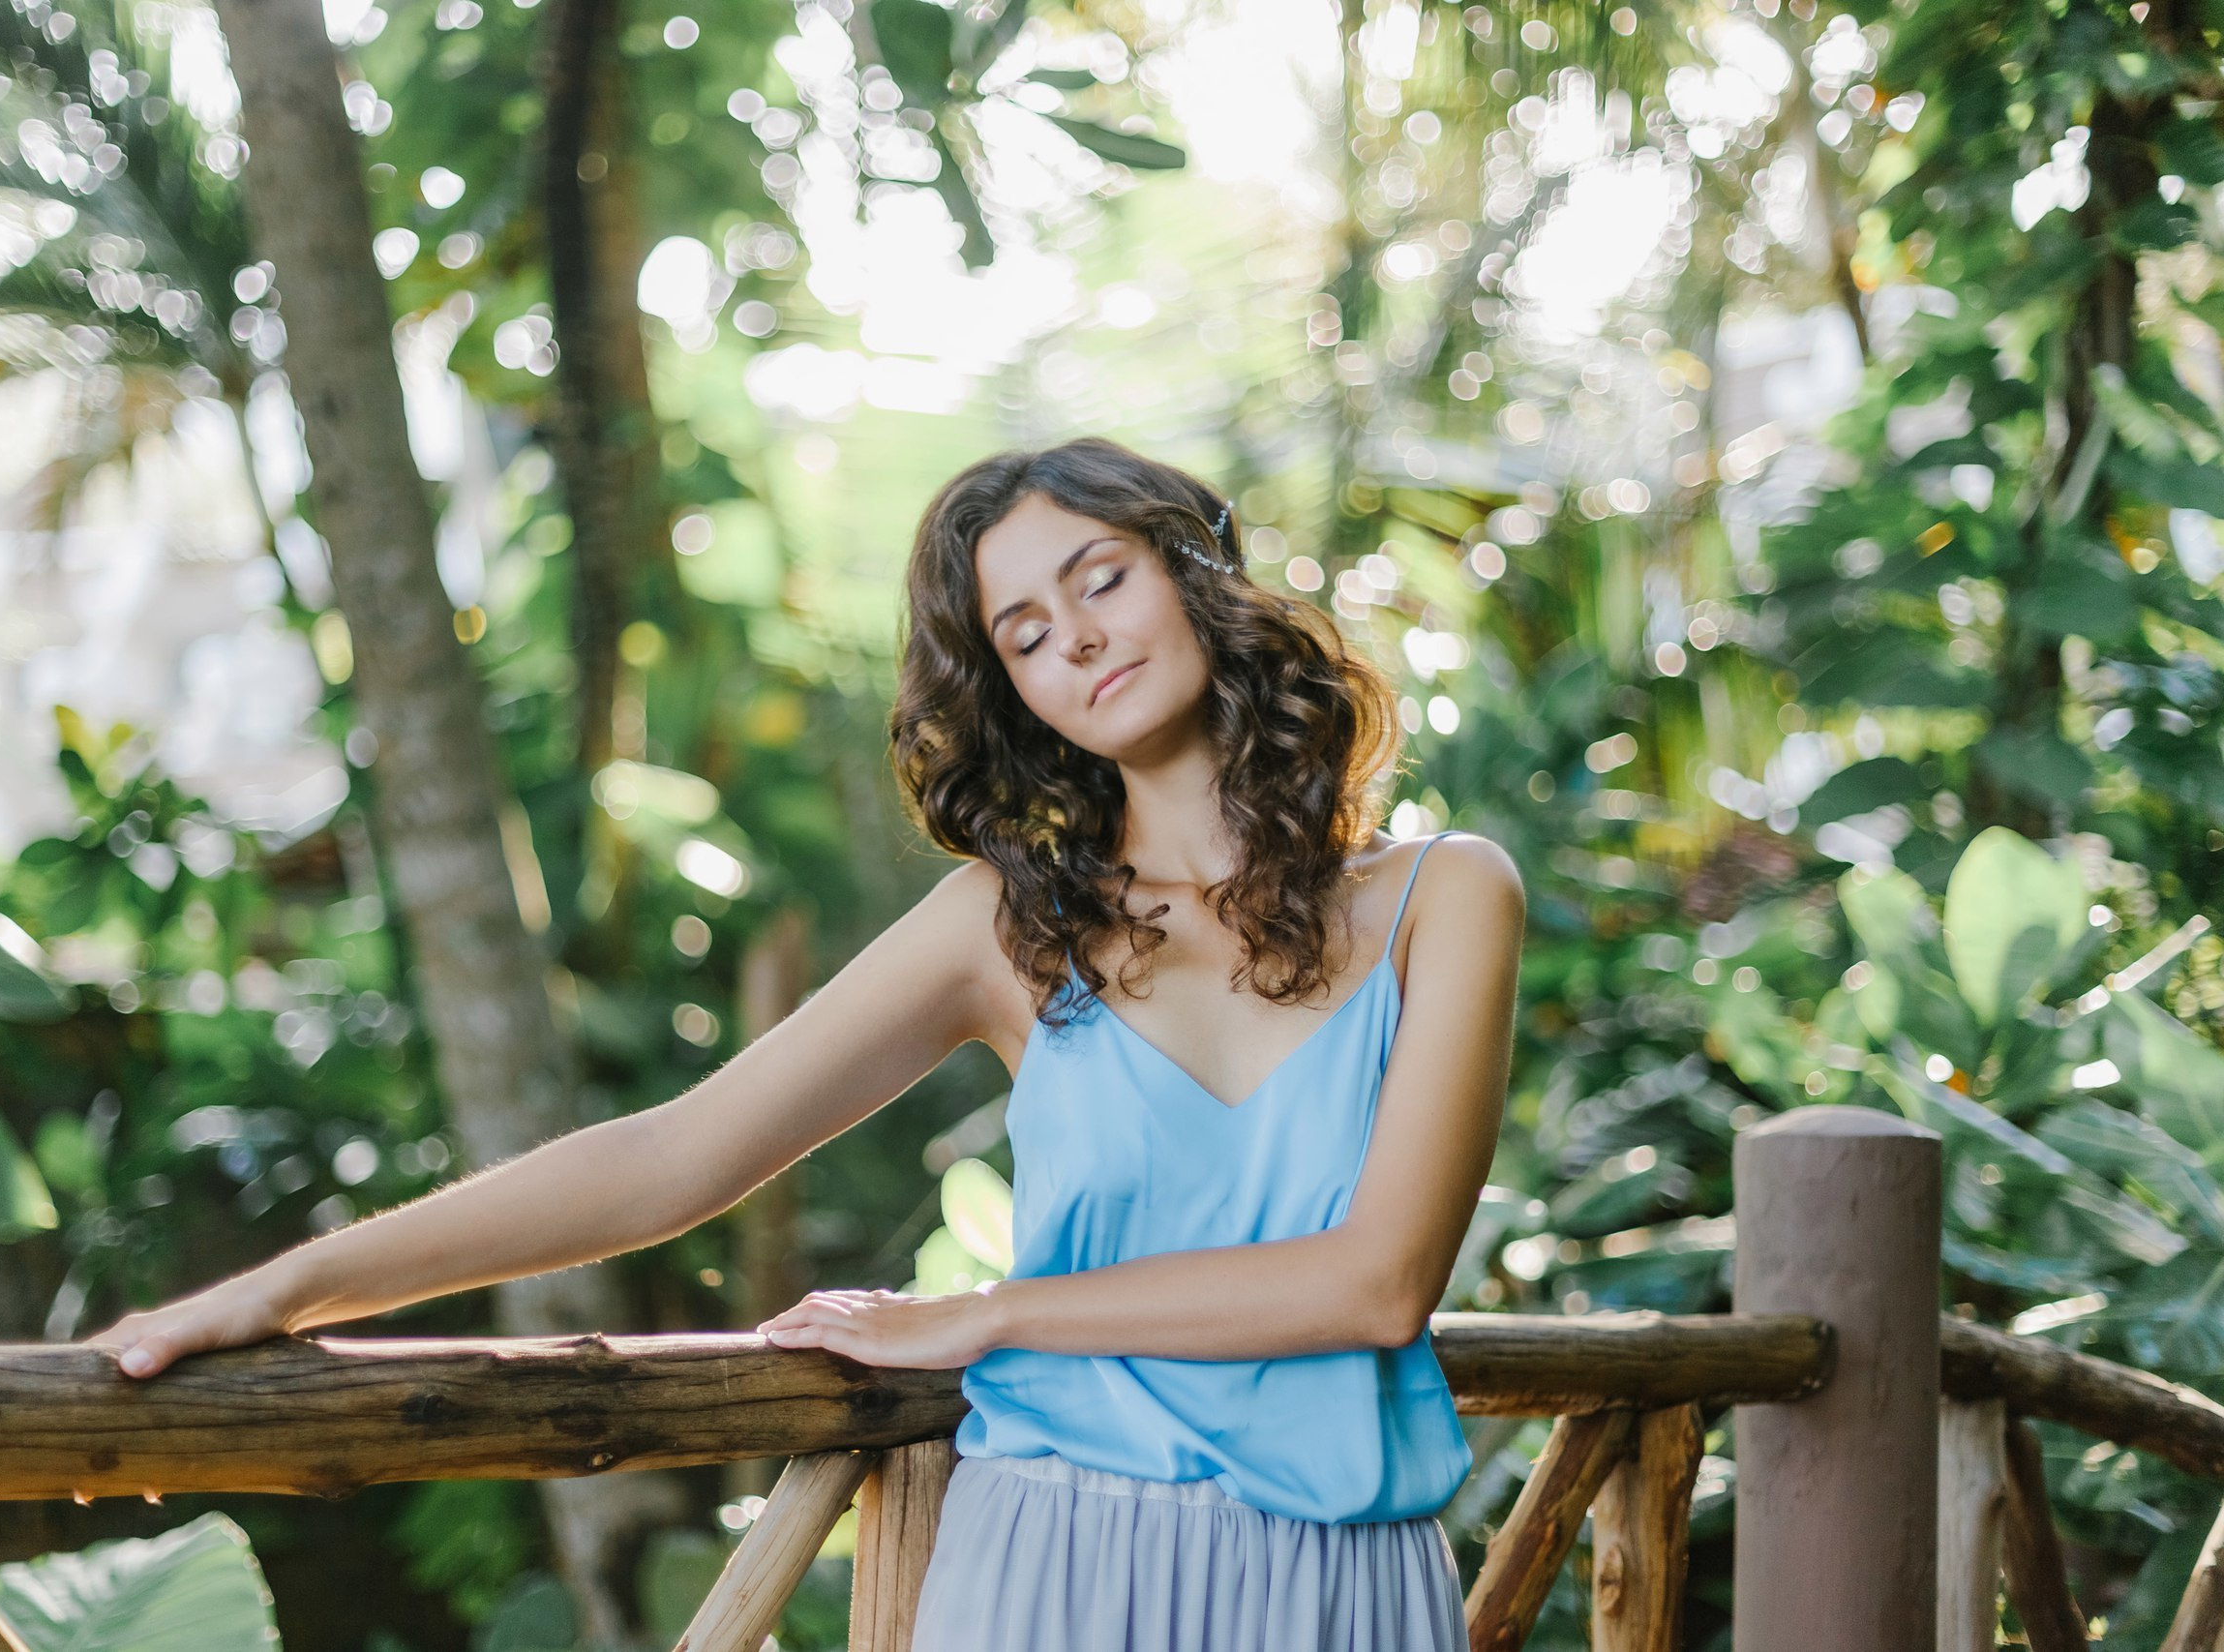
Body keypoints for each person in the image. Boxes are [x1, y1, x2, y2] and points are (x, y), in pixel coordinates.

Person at [90, 435, 1525, 1651]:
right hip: (1053, 1571)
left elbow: (1378, 1285)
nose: (1075, 636)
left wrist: (990, 1315)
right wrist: (288, 1291)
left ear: (1198, 580)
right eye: (1023, 631)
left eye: (1103, 577)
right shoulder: (1002, 929)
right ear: (1012, 694)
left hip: (1348, 1585)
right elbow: (669, 1160)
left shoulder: (1445, 898)